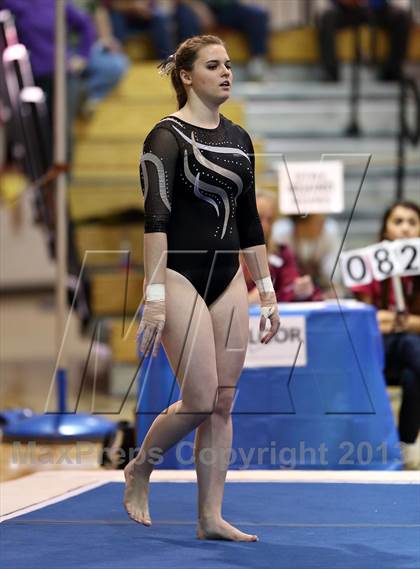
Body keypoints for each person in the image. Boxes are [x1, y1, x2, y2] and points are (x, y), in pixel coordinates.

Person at [123, 34, 280, 541]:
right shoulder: (164, 136)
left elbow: (250, 223)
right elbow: (155, 221)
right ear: (187, 76)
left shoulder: (239, 138)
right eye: (214, 65)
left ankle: (209, 517)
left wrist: (269, 289)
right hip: (178, 274)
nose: (226, 72)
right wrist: (154, 296)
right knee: (198, 397)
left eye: (230, 64)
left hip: (228, 276)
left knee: (223, 401)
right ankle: (140, 467)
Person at [351, 201, 420, 469]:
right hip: (376, 353)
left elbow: (383, 318)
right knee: (410, 341)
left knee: (413, 373)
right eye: (398, 221)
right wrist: (407, 322)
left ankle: (402, 447)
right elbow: (368, 322)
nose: (405, 228)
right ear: (385, 229)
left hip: (409, 359)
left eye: (412, 222)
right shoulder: (368, 265)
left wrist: (394, 321)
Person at [242, 190, 322, 304]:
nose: (265, 225)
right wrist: (248, 301)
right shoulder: (228, 254)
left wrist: (301, 290)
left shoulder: (282, 253)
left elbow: (290, 284)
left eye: (269, 220)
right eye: (259, 218)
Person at [317, 0, 411, 82]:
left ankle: (392, 70)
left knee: (401, 17)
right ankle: (331, 71)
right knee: (327, 17)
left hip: (376, 10)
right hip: (348, 10)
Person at [175, 1, 269, 81]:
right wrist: (199, 7)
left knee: (257, 15)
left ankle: (257, 63)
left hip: (227, 8)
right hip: (196, 6)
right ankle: (189, 65)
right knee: (185, 18)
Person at [272, 213, 342, 296]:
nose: (323, 224)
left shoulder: (330, 231)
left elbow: (332, 273)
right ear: (301, 222)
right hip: (288, 291)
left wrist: (332, 289)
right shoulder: (281, 233)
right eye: (318, 222)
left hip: (318, 289)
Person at [103, 0, 174, 60]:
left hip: (142, 18)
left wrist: (147, 10)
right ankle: (114, 59)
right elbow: (109, 6)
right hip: (121, 17)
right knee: (116, 18)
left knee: (159, 19)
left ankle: (166, 61)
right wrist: (132, 7)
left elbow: (153, 6)